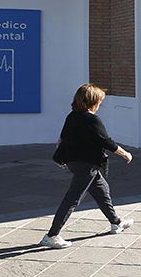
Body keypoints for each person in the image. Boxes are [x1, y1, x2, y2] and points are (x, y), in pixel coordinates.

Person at [41, 83, 134, 249]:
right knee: (72, 199)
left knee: (102, 191)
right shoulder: (92, 119)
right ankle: (51, 235)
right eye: (99, 102)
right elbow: (106, 141)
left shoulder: (72, 116)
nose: (99, 105)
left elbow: (62, 138)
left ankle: (116, 222)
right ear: (92, 101)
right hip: (86, 165)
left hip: (75, 162)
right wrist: (125, 153)